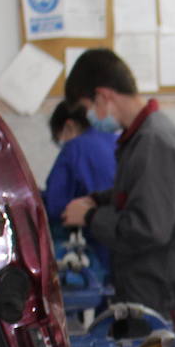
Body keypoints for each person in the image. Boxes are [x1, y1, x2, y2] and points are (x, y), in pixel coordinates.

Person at [61, 49, 175, 327]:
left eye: (87, 108)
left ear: (103, 96)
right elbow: (134, 193)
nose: (89, 117)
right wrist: (97, 201)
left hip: (159, 296)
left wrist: (89, 217)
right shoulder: (138, 138)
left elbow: (148, 227)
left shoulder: (155, 141)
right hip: (143, 287)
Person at [43, 98, 117, 277]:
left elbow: (55, 207)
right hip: (127, 237)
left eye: (58, 137)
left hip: (101, 241)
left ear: (69, 126)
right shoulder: (115, 140)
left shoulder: (74, 148)